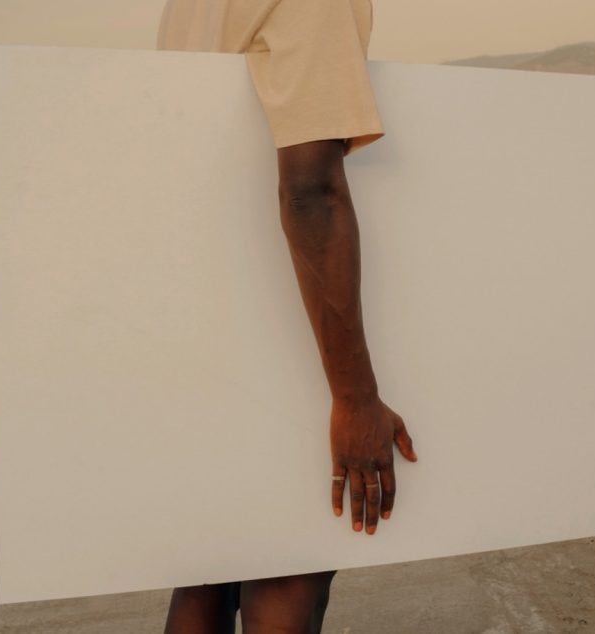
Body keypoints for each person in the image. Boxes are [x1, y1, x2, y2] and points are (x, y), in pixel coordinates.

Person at [156, 1, 417, 632]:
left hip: (199, 322)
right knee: (288, 567)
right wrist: (355, 398)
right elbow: (311, 189)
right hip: (287, 343)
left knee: (205, 575)